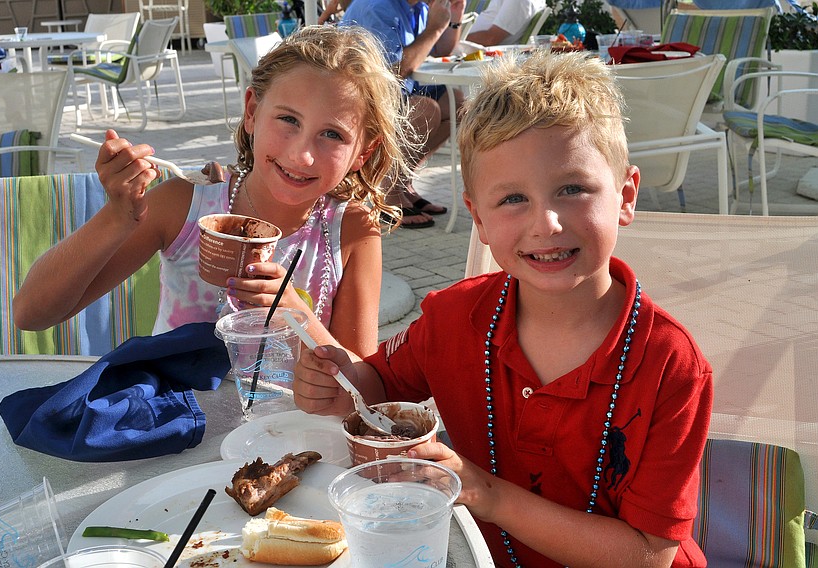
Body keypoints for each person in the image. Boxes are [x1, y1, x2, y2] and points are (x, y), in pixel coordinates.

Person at [293, 50, 713, 566]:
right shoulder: (452, 318)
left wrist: (486, 493)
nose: (547, 224)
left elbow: (648, 554)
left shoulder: (672, 366)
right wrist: (338, 384)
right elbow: (377, 386)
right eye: (513, 199)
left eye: (573, 189)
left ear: (626, 195)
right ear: (480, 220)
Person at [12, 25, 414, 359]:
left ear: (364, 152)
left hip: (292, 443)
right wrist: (118, 217)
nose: (302, 154)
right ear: (252, 112)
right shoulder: (184, 205)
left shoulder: (352, 230)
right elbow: (32, 313)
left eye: (332, 134)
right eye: (288, 119)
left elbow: (360, 386)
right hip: (172, 436)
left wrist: (299, 319)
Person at [341, 0, 467, 228]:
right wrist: (434, 29)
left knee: (456, 102)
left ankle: (402, 181)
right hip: (356, 100)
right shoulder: (378, 8)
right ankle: (387, 191)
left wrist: (453, 20)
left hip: (392, 94)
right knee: (426, 109)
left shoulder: (418, 6)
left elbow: (438, 50)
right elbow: (391, 72)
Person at [465, 0, 544, 46]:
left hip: (472, 54)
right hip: (467, 48)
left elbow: (490, 39)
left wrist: (456, 37)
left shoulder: (518, 1)